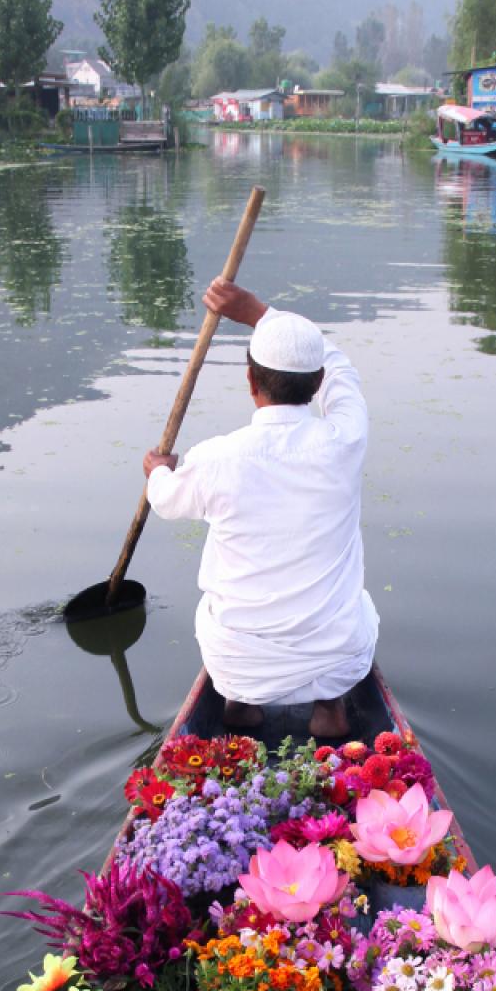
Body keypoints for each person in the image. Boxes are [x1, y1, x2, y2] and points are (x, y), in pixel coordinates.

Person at [142, 281, 378, 738]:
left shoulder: (217, 457)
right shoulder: (345, 441)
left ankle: (240, 704)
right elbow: (342, 368)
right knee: (358, 606)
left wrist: (157, 470)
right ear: (318, 383)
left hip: (239, 663)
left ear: (249, 382)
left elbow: (166, 501)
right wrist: (259, 313)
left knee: (220, 608)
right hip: (335, 657)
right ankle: (330, 710)